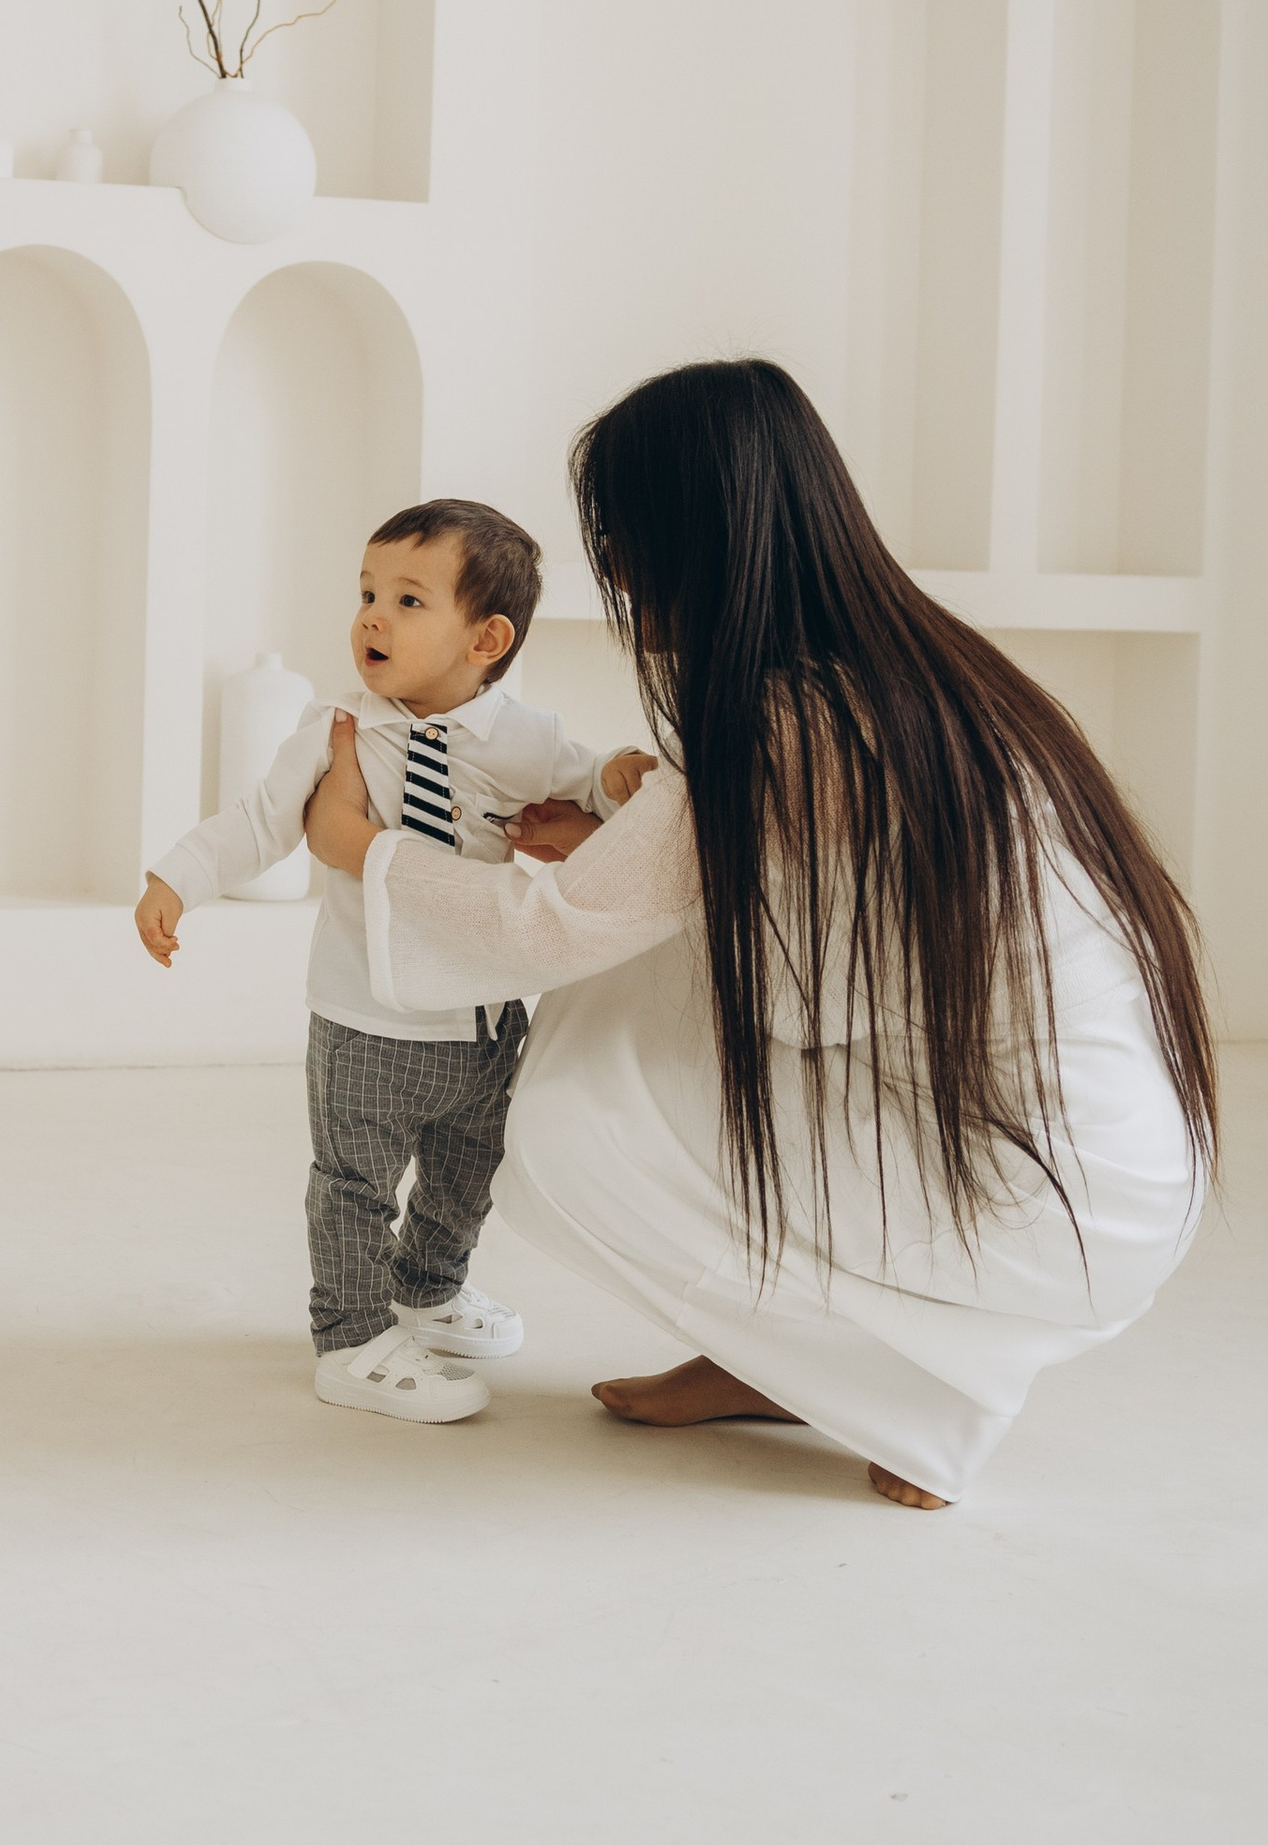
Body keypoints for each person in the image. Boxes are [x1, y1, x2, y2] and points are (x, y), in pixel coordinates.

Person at [301, 364, 1213, 1509]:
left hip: (1040, 1196)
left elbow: (558, 927)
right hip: (1112, 1165)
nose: (617, 574)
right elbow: (796, 929)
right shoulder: (911, 668)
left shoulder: (783, 722)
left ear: (687, 538)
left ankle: (909, 1397)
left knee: (573, 1107)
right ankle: (770, 1358)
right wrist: (624, 832)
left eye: (620, 537)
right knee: (632, 1006)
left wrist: (361, 851)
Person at [135, 500, 649, 1427]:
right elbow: (259, 821)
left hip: (485, 1016)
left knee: (468, 1171)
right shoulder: (339, 729)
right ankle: (352, 1335)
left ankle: (428, 1290)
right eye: (368, 592)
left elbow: (584, 786)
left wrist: (618, 777)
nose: (371, 615)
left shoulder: (525, 738)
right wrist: (178, 878)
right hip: (367, 1013)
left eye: (409, 600)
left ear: (486, 638)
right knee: (354, 1183)